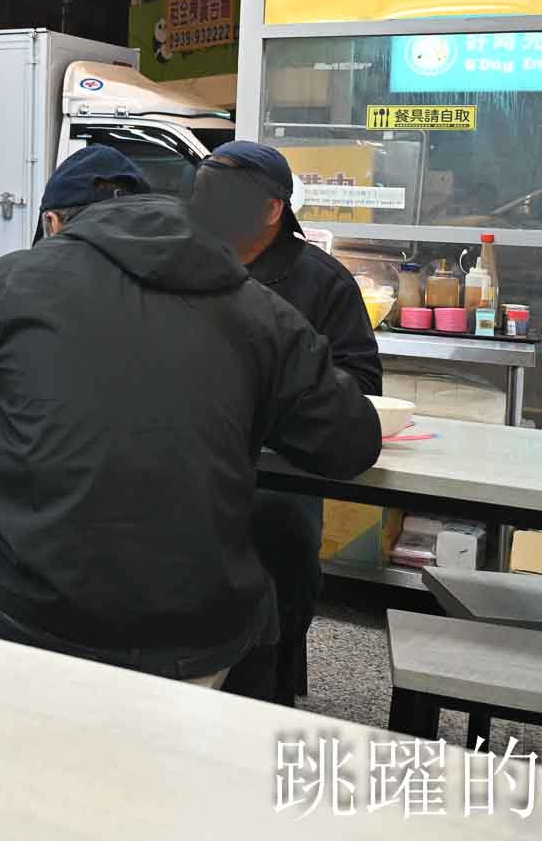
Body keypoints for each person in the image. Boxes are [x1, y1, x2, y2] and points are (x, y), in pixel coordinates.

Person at [0, 145, 380, 686]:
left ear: (53, 221)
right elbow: (350, 443)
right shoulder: (262, 308)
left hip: (30, 604)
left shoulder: (10, 280)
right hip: (203, 630)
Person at [189, 141, 384, 705]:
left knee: (278, 557)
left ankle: (272, 691)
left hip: (279, 475)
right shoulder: (187, 261)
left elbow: (362, 384)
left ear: (273, 209)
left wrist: (280, 396)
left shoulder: (320, 282)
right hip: (192, 459)